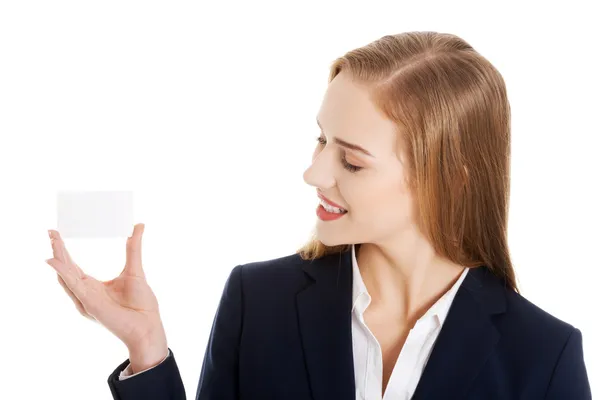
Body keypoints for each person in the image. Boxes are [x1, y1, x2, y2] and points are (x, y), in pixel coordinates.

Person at [45, 31, 592, 400]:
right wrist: (147, 351)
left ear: (451, 179)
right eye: (321, 140)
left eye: (352, 160)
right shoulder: (258, 302)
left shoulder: (543, 356)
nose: (314, 173)